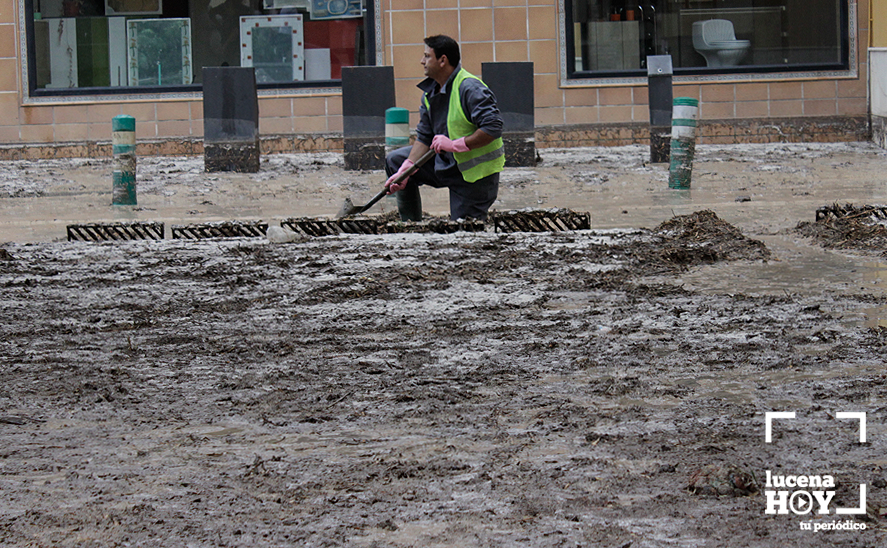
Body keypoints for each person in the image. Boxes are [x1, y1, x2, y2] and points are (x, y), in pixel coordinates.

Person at [384, 35, 505, 222]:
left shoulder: (470, 88)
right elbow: (424, 136)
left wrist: (456, 145)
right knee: (396, 161)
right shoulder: (430, 92)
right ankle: (409, 224)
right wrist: (406, 169)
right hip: (446, 163)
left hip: (474, 176)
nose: (422, 61)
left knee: (464, 231)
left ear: (443, 60)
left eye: (427, 56)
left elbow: (493, 128)